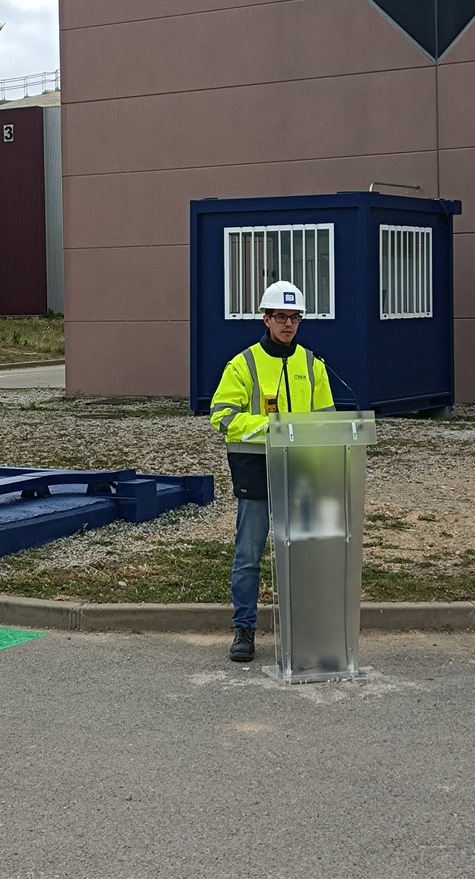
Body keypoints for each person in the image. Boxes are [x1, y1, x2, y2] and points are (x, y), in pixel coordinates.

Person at [210, 280, 334, 663]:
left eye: (295, 317)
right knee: (249, 555)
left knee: (303, 555)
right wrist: (273, 429)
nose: (288, 325)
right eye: (281, 317)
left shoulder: (313, 365)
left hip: (301, 474)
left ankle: (304, 629)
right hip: (256, 473)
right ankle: (244, 628)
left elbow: (327, 421)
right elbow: (221, 417)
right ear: (265, 319)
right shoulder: (243, 364)